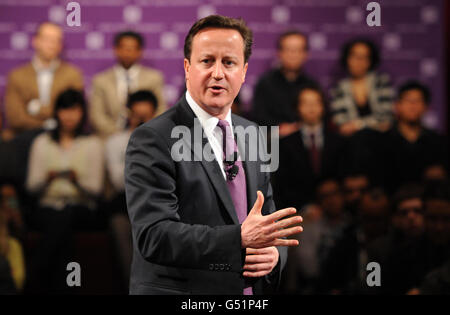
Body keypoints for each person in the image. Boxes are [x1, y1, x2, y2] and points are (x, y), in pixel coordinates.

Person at [125, 15, 303, 295]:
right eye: (207, 61)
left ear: (243, 72)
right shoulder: (153, 138)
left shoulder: (253, 134)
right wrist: (238, 239)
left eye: (229, 63)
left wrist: (274, 255)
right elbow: (154, 235)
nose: (218, 73)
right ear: (187, 68)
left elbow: (266, 219)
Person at [26, 89, 104, 292]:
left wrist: (77, 181)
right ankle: (69, 287)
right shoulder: (42, 142)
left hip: (82, 208)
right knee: (62, 225)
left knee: (65, 217)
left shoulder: (93, 143)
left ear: (82, 113)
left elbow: (96, 190)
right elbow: (31, 187)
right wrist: (47, 178)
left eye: (74, 110)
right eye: (64, 110)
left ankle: (32, 281)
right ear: (57, 113)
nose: (69, 116)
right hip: (48, 207)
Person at [105, 90, 158, 290]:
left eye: (147, 116)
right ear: (129, 115)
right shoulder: (116, 142)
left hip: (159, 202)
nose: (142, 121)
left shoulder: (169, 140)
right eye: (138, 116)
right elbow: (120, 181)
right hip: (125, 203)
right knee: (120, 226)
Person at [273, 83, 345, 211]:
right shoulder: (284, 144)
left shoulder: (338, 141)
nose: (311, 107)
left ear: (323, 107)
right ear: (297, 108)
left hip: (334, 210)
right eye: (305, 103)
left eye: (316, 102)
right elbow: (281, 185)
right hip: (298, 212)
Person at [4, 22, 83, 135]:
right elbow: (15, 118)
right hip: (24, 136)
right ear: (35, 41)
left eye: (57, 40)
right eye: (47, 39)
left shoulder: (73, 75)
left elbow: (73, 114)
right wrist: (47, 124)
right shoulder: (16, 76)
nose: (52, 44)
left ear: (61, 46)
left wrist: (36, 109)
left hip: (61, 138)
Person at [90, 31, 166, 138]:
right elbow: (97, 116)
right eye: (123, 48)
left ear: (140, 51)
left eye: (132, 48)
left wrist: (145, 131)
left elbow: (161, 110)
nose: (127, 52)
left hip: (147, 137)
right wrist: (118, 134)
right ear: (115, 50)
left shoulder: (154, 78)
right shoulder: (101, 80)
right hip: (110, 138)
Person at [381, 81, 448, 194]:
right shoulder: (382, 141)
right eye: (408, 101)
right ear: (397, 106)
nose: (412, 106)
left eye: (418, 101)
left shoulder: (438, 141)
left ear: (426, 107)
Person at [251, 30, 317, 138]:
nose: (293, 55)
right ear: (279, 53)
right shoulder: (265, 83)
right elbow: (258, 117)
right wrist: (278, 128)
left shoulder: (312, 86)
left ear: (306, 54)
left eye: (298, 50)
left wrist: (299, 127)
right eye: (289, 50)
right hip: (273, 142)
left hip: (304, 141)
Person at [330, 39, 394, 137]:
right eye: (354, 56)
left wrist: (358, 125)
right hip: (351, 144)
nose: (359, 62)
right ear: (347, 59)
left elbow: (386, 120)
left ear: (370, 61)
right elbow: (341, 124)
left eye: (364, 57)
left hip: (382, 141)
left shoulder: (381, 82)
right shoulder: (339, 88)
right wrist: (372, 123)